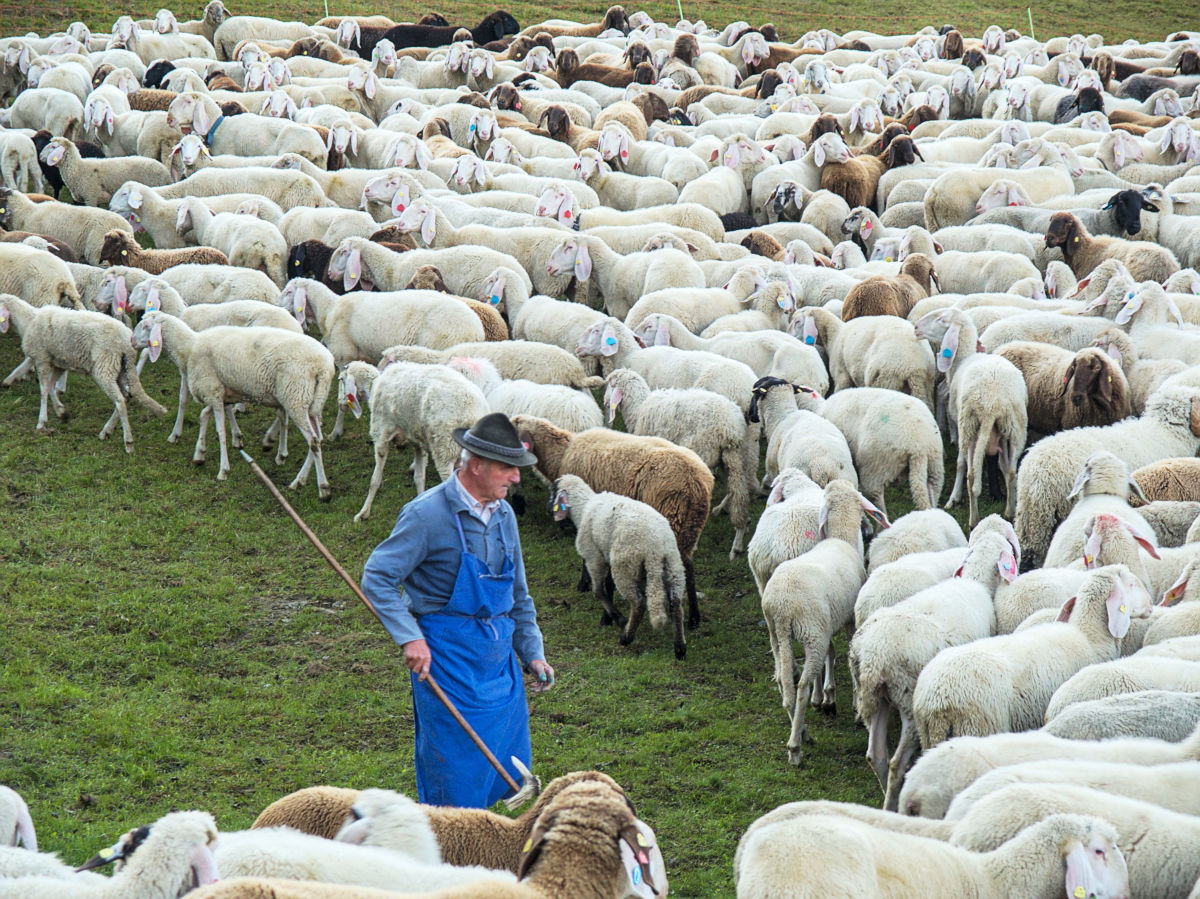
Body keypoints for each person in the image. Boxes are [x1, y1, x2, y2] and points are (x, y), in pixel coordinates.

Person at [362, 412, 555, 808]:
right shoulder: (426, 515)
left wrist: (532, 651)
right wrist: (410, 636)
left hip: (499, 663)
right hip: (448, 662)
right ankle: (451, 851)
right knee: (454, 774)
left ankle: (488, 843)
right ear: (476, 465)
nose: (517, 478)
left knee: (505, 767)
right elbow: (377, 577)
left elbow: (518, 594)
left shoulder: (504, 515)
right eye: (507, 468)